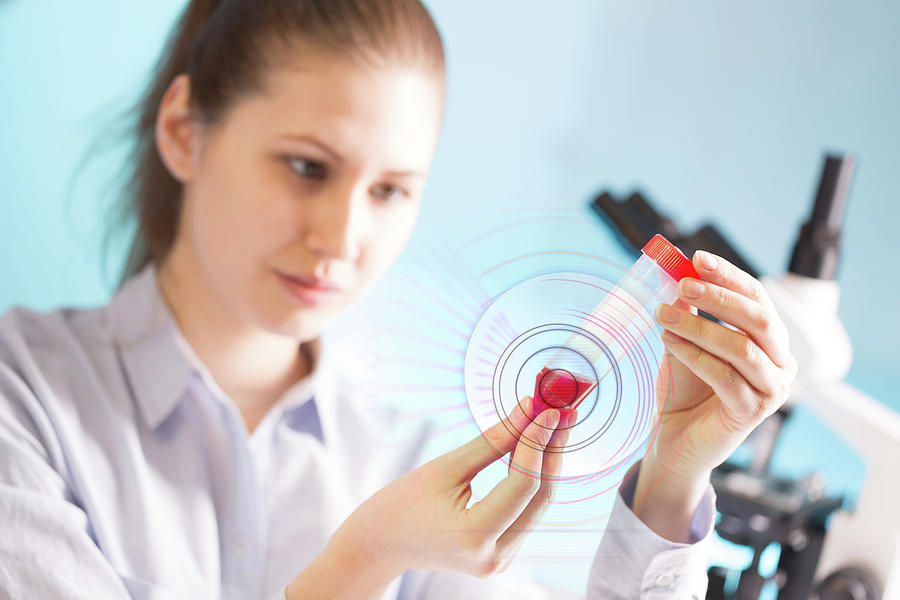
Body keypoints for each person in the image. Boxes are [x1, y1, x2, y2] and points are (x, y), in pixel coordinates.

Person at [0, 1, 798, 598]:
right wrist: (362, 563)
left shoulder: (406, 464)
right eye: (306, 167)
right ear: (183, 131)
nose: (343, 238)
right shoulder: (23, 399)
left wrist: (671, 481)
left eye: (389, 190)